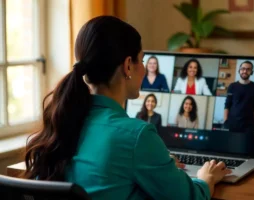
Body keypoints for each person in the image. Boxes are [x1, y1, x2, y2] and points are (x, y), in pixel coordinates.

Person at [22, 16, 230, 200]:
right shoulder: (137, 136)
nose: (143, 69)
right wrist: (205, 179)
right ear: (128, 65)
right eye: (142, 61)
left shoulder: (62, 121)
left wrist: (161, 166)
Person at [224, 61, 254, 134]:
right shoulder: (232, 86)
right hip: (232, 123)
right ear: (239, 70)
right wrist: (225, 121)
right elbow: (227, 104)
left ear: (251, 72)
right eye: (243, 68)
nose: (245, 71)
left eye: (248, 69)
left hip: (249, 125)